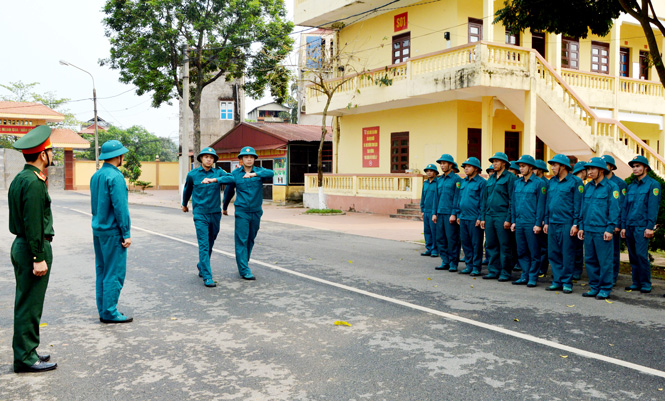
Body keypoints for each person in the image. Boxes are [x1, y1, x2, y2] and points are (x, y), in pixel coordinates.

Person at [8, 125, 58, 373]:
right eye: (50, 150)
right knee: (30, 304)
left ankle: (28, 349)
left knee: (26, 302)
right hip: (32, 248)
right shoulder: (35, 183)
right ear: (42, 155)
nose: (52, 154)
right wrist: (38, 257)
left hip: (22, 245)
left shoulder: (21, 178)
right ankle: (25, 357)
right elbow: (34, 224)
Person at [202, 146, 274, 280]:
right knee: (242, 239)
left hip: (256, 211)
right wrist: (224, 207)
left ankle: (244, 263)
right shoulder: (235, 174)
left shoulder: (260, 172)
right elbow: (229, 190)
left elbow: (271, 173)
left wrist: (254, 174)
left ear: (254, 159)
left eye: (251, 157)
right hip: (242, 211)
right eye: (246, 157)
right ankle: (244, 269)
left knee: (251, 239)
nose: (249, 159)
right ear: (241, 159)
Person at [90, 140, 133, 323]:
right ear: (118, 156)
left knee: (102, 271)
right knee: (114, 273)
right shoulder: (115, 177)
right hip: (113, 231)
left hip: (98, 230)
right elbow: (120, 208)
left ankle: (104, 310)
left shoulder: (96, 175)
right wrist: (126, 232)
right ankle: (109, 312)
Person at [182, 147, 227, 287]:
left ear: (214, 160)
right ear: (201, 158)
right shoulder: (193, 175)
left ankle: (202, 265)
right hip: (200, 213)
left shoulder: (219, 172)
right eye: (206, 156)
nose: (208, 159)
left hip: (215, 213)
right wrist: (184, 204)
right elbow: (187, 190)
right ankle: (207, 276)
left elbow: (232, 178)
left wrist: (215, 179)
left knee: (211, 241)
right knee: (204, 244)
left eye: (211, 157)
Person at [578, 157, 619, 300]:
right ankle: (594, 287)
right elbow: (583, 208)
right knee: (590, 260)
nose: (590, 172)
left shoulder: (611, 187)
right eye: (588, 169)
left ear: (602, 170)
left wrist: (609, 228)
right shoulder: (588, 187)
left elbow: (614, 210)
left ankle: (605, 288)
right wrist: (581, 226)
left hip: (602, 230)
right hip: (588, 229)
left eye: (593, 169)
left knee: (605, 261)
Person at [621, 155, 661, 293]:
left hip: (642, 226)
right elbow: (625, 208)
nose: (635, 169)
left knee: (641, 255)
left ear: (645, 168)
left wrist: (650, 227)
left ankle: (645, 283)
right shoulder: (631, 186)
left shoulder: (653, 185)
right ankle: (636, 282)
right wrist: (624, 227)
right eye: (633, 166)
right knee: (632, 255)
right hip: (630, 226)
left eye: (638, 166)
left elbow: (653, 208)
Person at [543, 154, 583, 293]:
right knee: (553, 253)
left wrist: (576, 223)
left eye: (555, 165)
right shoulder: (551, 182)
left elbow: (578, 204)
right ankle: (557, 280)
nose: (552, 168)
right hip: (553, 222)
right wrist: (546, 221)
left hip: (567, 223)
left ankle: (567, 282)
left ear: (563, 166)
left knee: (567, 253)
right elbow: (548, 203)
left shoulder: (575, 182)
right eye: (552, 165)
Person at [510, 155, 547, 287]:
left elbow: (541, 205)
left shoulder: (539, 183)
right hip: (520, 222)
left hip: (532, 222)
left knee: (534, 251)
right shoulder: (517, 183)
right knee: (521, 250)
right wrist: (513, 221)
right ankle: (524, 275)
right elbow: (513, 203)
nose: (521, 168)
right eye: (520, 166)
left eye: (523, 166)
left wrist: (538, 223)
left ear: (531, 167)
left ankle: (532, 276)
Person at [482, 152, 516, 281]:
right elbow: (485, 199)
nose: (494, 164)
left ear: (504, 163)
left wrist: (508, 218)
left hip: (502, 215)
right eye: (493, 161)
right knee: (491, 244)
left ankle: (505, 272)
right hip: (490, 215)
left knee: (505, 245)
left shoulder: (510, 178)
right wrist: (483, 217)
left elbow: (512, 199)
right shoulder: (490, 178)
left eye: (497, 161)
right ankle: (493, 270)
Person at [456, 157, 487, 276]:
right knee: (466, 243)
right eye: (465, 167)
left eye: (468, 167)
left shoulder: (481, 182)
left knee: (476, 244)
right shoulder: (463, 182)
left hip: (474, 218)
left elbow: (482, 201)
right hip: (463, 217)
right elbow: (460, 199)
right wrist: (459, 214)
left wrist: (480, 217)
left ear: (476, 168)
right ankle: (468, 265)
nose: (466, 169)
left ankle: (476, 267)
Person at [600, 155, 627, 286]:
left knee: (613, 252)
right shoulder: (599, 182)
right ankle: (602, 277)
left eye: (606, 164)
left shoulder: (620, 183)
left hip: (613, 224)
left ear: (611, 167)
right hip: (600, 223)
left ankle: (613, 277)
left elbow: (620, 205)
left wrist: (618, 224)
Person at [433, 154, 461, 271]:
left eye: (444, 163)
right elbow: (436, 197)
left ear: (451, 165)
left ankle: (453, 262)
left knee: (452, 239)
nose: (442, 166)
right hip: (440, 213)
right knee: (440, 238)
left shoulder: (457, 180)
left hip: (450, 214)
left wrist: (454, 213)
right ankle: (445, 261)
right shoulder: (439, 180)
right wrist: (434, 213)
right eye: (441, 164)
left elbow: (457, 197)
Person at [571, 161, 587, 281]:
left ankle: (574, 270)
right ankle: (576, 270)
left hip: (571, 219)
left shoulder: (573, 181)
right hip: (575, 219)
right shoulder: (579, 183)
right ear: (583, 171)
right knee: (576, 247)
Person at [534, 160, 550, 278]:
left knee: (543, 246)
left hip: (543, 218)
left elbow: (547, 202)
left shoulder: (546, 183)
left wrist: (544, 218)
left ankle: (542, 268)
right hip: (534, 217)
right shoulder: (535, 182)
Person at [420, 164, 440, 257]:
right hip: (426, 210)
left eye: (431, 171)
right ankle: (429, 248)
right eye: (427, 171)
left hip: (433, 211)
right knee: (427, 230)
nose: (429, 172)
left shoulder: (438, 183)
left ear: (435, 172)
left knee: (434, 230)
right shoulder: (425, 183)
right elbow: (423, 197)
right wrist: (422, 209)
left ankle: (435, 249)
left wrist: (435, 212)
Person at [482, 165, 494, 266]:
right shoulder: (488, 183)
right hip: (488, 214)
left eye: (492, 171)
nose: (491, 173)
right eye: (489, 171)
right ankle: (488, 259)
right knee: (489, 241)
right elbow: (484, 200)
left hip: (500, 215)